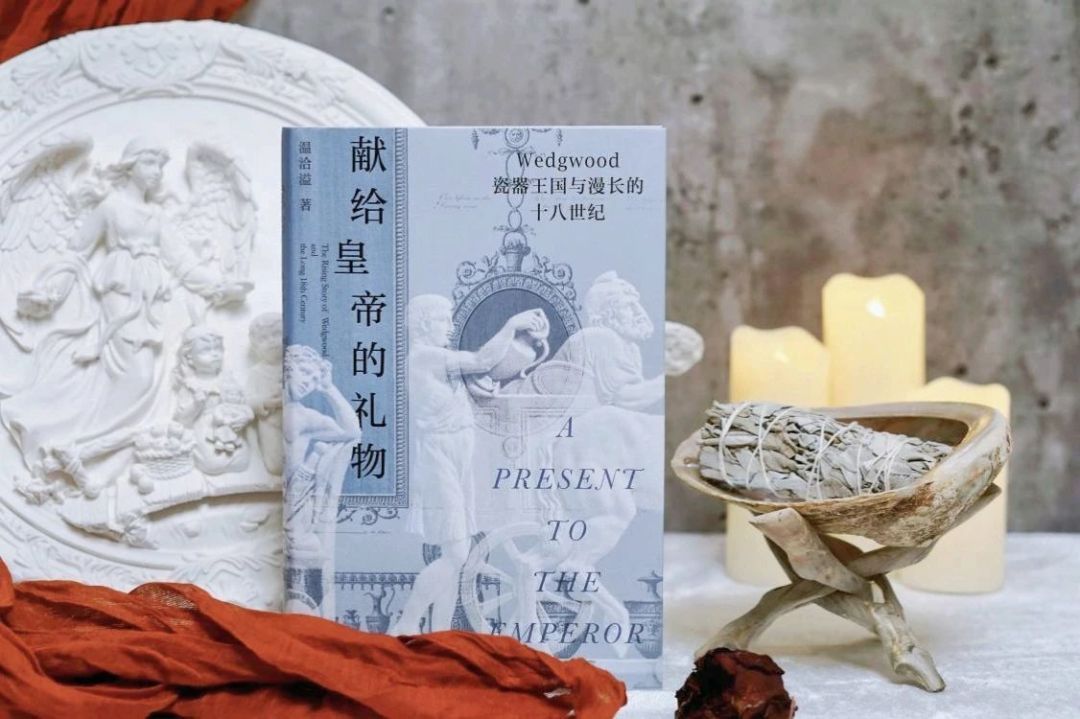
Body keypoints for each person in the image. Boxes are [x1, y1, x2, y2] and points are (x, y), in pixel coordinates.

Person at [393, 294, 545, 634]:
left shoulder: (439, 360)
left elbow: (474, 377)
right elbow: (482, 359)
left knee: (454, 553)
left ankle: (440, 632)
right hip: (440, 456)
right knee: (457, 553)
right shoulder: (424, 356)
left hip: (456, 453)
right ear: (424, 324)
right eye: (443, 320)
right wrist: (512, 325)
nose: (450, 328)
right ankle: (406, 622)